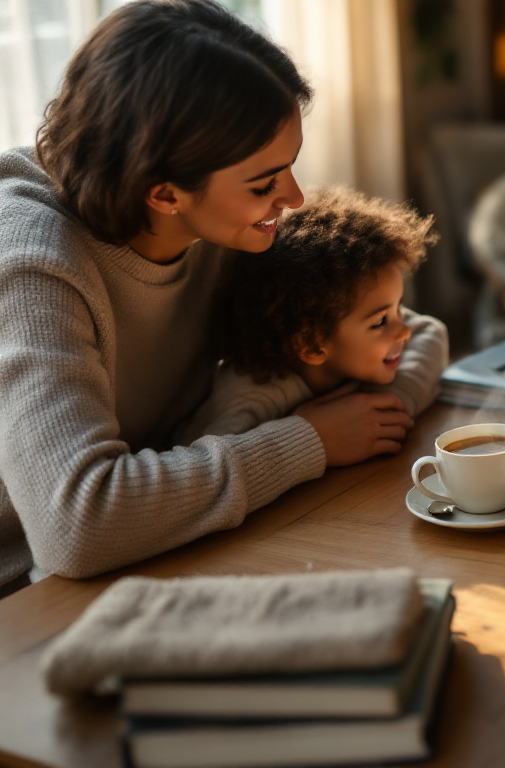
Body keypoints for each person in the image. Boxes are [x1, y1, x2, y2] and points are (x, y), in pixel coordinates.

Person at [0, 0, 416, 594]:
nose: (294, 198)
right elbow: (78, 524)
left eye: (289, 167)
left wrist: (375, 412)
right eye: (265, 182)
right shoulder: (29, 262)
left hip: (158, 548)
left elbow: (391, 329)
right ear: (165, 194)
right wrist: (310, 441)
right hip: (26, 596)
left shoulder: (226, 222)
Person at [177, 187, 448, 443]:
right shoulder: (253, 400)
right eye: (380, 322)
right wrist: (304, 437)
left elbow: (431, 331)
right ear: (312, 345)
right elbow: (221, 466)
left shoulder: (352, 347)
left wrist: (390, 407)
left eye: (399, 308)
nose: (404, 330)